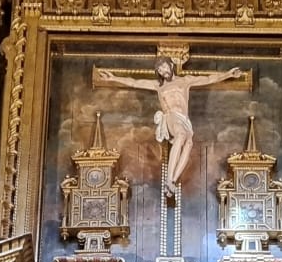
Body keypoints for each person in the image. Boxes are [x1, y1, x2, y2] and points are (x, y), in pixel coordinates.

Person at [95, 56, 245, 191]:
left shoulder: (185, 81)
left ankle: (172, 181)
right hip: (171, 116)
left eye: (164, 67)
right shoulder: (158, 85)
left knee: (188, 144)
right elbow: (135, 83)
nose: (163, 71)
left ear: (171, 65)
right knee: (180, 136)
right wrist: (113, 78)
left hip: (184, 118)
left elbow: (208, 79)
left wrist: (228, 74)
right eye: (160, 70)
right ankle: (168, 178)